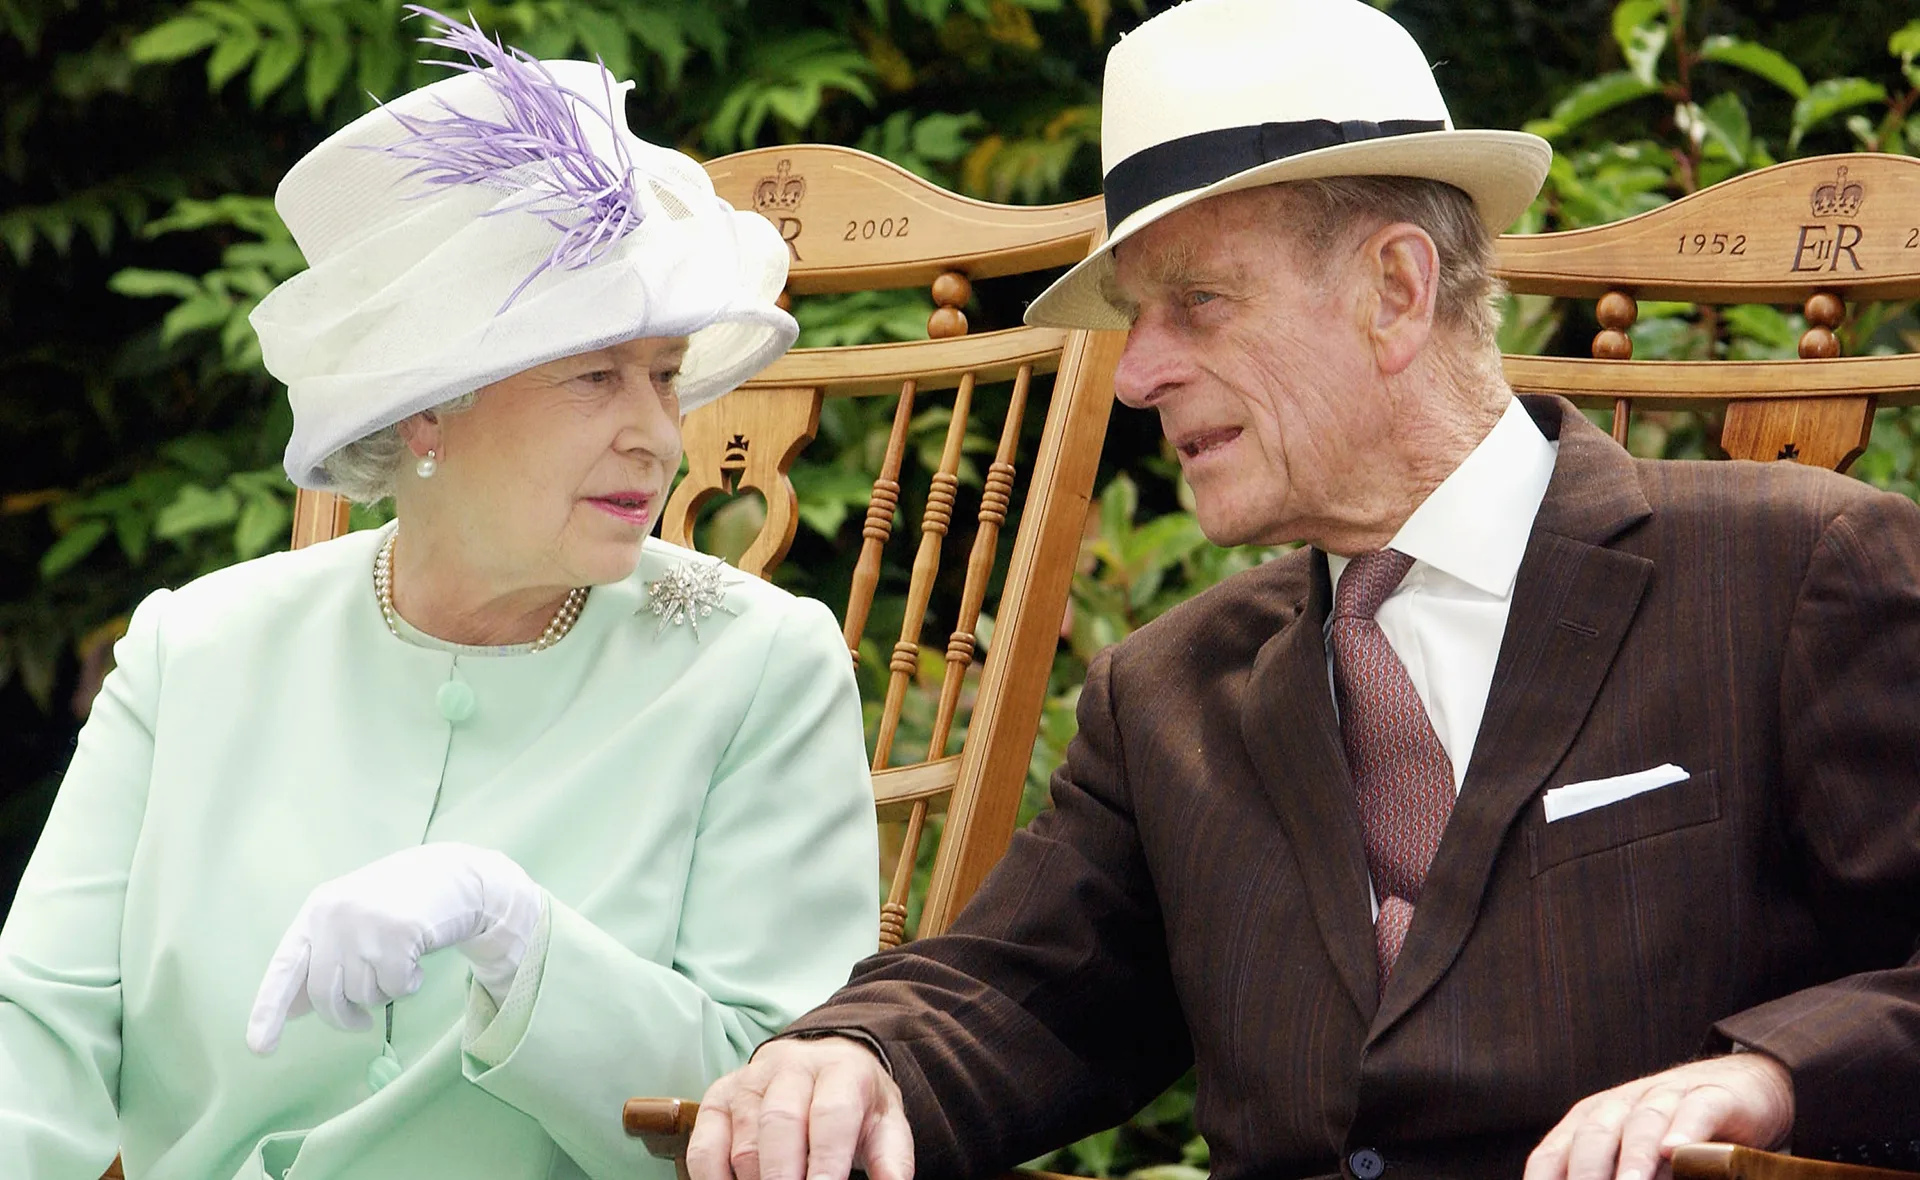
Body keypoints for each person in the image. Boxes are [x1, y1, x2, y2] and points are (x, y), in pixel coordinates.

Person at [685, 2, 1920, 1179]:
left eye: (1198, 304)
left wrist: (1773, 1076)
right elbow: (1018, 989)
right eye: (1134, 317)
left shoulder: (1801, 572)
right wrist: (849, 1054)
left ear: (1396, 289)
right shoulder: (1166, 692)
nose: (1137, 373)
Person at [0, 10, 879, 1180]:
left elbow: (767, 1102)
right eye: (594, 377)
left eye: (665, 380)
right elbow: (36, 1032)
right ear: (427, 410)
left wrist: (521, 938)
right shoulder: (194, 649)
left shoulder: (761, 662)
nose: (658, 435)